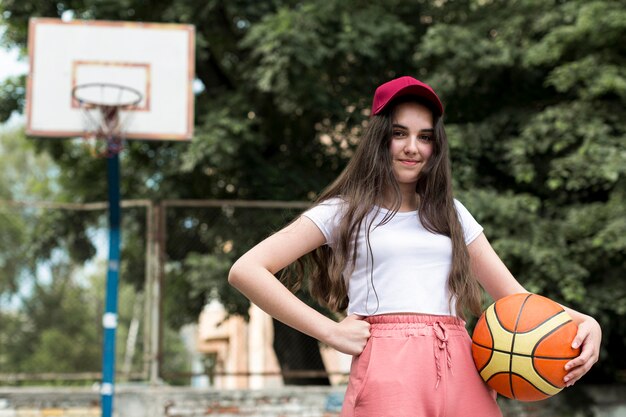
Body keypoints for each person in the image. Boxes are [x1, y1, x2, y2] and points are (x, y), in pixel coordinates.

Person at [228, 76, 602, 416]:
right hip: (388, 366)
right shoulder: (343, 212)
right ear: (379, 138)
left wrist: (586, 323)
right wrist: (330, 332)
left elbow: (516, 299)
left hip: (461, 361)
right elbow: (246, 270)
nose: (412, 147)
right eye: (399, 133)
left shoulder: (452, 214)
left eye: (424, 136)